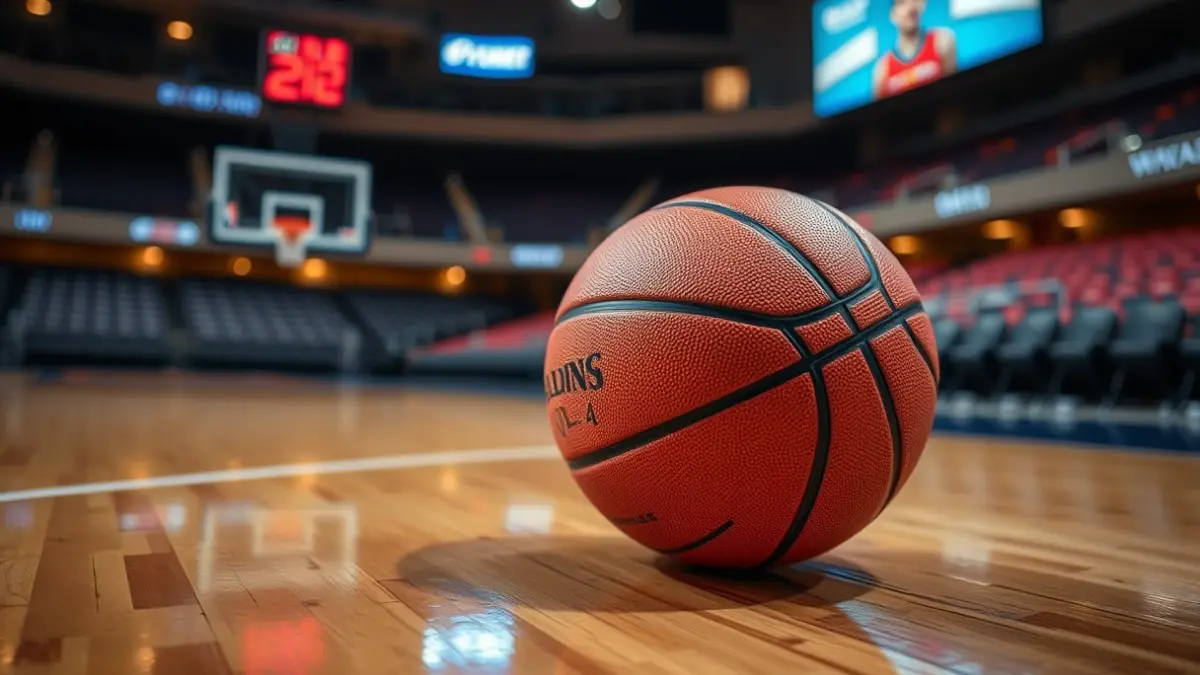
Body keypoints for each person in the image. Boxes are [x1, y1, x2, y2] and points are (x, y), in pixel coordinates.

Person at [872, 0, 957, 100]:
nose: (910, 8)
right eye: (901, 3)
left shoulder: (942, 40)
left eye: (914, 1)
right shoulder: (882, 69)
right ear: (892, 15)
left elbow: (954, 95)